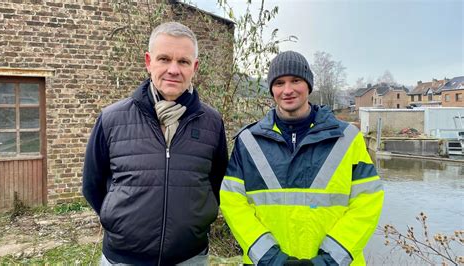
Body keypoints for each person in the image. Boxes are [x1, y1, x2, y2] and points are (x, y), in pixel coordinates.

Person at [83, 21, 228, 265]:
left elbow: (217, 183)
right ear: (149, 62)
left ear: (195, 67)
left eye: (183, 61)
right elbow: (92, 184)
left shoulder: (212, 122)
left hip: (189, 257)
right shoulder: (112, 119)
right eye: (164, 59)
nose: (173, 69)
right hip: (124, 258)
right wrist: (120, 223)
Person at [220, 51, 384, 265]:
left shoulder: (347, 138)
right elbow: (233, 204)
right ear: (271, 90)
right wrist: (273, 260)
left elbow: (367, 202)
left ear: (308, 85)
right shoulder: (248, 142)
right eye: (279, 83)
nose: (287, 90)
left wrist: (326, 261)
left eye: (295, 80)